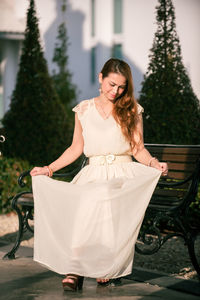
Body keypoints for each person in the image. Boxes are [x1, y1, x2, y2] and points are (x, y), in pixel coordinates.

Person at [31, 58, 168, 291]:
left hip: (123, 172)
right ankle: (75, 267)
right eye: (111, 84)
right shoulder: (83, 109)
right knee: (85, 197)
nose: (116, 91)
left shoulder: (132, 109)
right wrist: (50, 168)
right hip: (93, 172)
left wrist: (154, 163)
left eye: (121, 86)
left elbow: (137, 149)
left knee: (101, 194)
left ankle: (102, 265)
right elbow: (75, 148)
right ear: (100, 78)